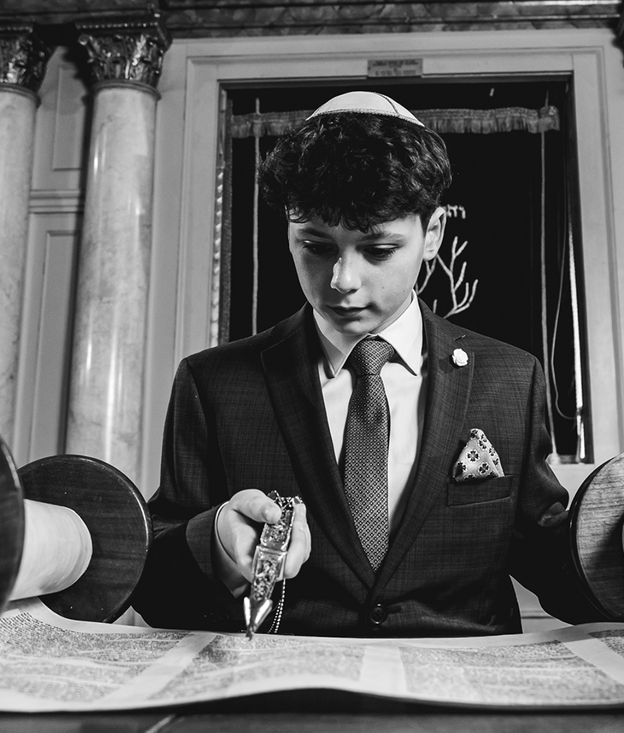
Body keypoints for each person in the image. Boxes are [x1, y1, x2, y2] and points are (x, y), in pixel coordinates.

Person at [129, 91, 597, 636]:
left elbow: (557, 571)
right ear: (288, 226)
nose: (342, 281)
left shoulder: (513, 379)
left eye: (377, 250)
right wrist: (215, 544)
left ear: (434, 235)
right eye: (315, 245)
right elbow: (156, 587)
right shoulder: (211, 383)